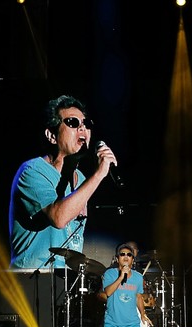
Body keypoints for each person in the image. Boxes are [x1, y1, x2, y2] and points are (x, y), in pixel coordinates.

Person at [8, 94, 118, 269]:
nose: (82, 128)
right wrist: (98, 175)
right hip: (32, 277)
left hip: (64, 277)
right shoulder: (32, 171)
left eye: (86, 124)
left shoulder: (81, 179)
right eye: (73, 123)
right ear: (51, 135)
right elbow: (58, 218)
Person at [101, 243, 152, 327]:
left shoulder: (138, 277)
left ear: (132, 259)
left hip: (132, 324)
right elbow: (108, 292)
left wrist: (143, 314)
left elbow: (138, 296)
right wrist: (121, 277)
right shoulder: (110, 274)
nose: (125, 256)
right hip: (113, 324)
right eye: (122, 254)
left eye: (129, 255)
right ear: (117, 258)